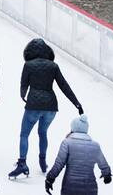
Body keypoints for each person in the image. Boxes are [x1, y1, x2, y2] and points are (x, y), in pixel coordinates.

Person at [11, 37, 84, 178]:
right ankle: (43, 162)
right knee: (43, 133)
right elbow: (64, 86)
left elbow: (23, 85)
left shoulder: (28, 65)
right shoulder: (53, 66)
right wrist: (77, 103)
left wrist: (23, 95)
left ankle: (22, 163)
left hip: (33, 104)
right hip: (51, 106)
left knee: (24, 134)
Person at [45, 115, 112, 195]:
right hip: (90, 188)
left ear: (73, 128)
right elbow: (103, 163)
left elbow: (59, 164)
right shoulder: (95, 145)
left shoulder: (67, 143)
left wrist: (50, 178)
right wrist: (107, 175)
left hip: (70, 187)